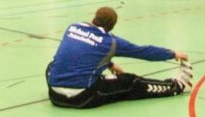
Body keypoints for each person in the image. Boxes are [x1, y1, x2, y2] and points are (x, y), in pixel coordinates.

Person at [45, 6, 192, 109]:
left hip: (54, 95)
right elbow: (142, 51)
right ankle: (176, 87)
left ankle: (64, 85)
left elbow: (83, 50)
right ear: (112, 26)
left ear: (94, 18)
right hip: (82, 98)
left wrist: (109, 64)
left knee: (53, 64)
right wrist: (173, 53)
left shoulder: (73, 27)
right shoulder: (111, 42)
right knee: (129, 82)